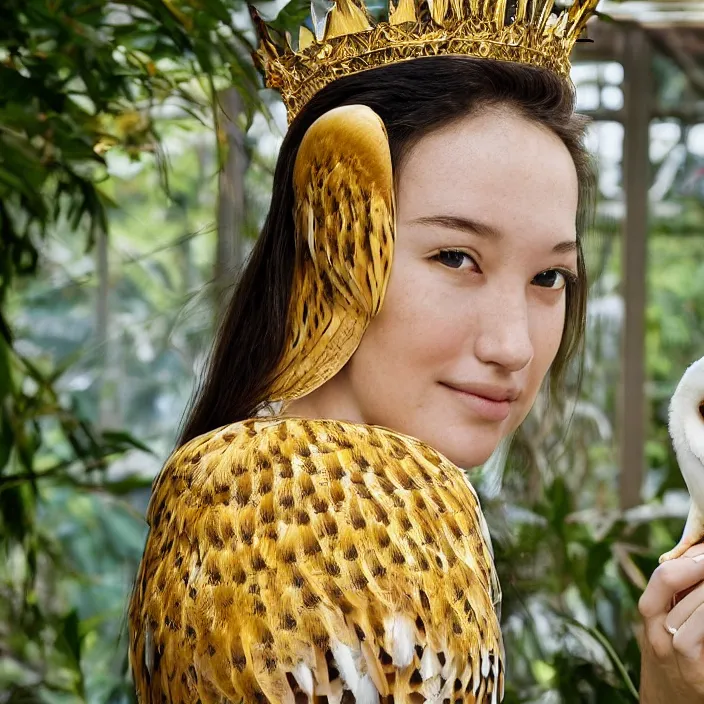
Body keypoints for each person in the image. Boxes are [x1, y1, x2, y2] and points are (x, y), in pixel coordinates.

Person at [128, 0, 704, 701]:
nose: (513, 346)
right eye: (457, 256)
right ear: (335, 239)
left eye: (550, 276)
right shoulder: (293, 489)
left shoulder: (313, 483)